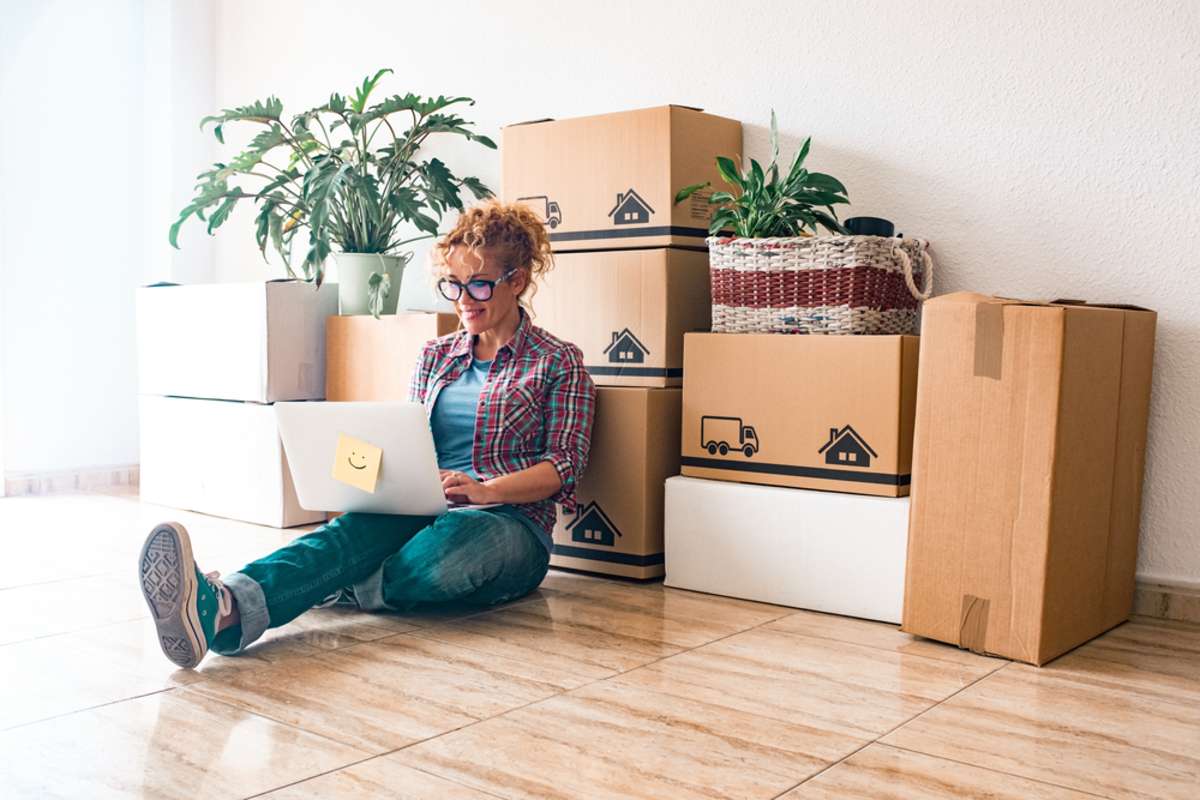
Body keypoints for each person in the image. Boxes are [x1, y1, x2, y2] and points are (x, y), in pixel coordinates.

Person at [137, 200, 596, 669]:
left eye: (477, 284)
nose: (463, 299)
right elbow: (408, 439)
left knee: (447, 551)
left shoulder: (558, 360)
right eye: (452, 285)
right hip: (424, 506)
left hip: (507, 525)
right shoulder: (435, 356)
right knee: (343, 534)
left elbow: (562, 465)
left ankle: (329, 583)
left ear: (516, 281)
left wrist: (486, 490)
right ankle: (221, 608)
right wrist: (368, 468)